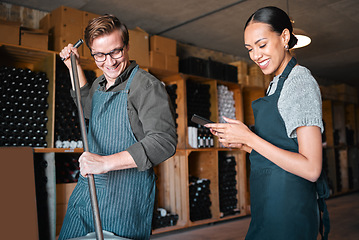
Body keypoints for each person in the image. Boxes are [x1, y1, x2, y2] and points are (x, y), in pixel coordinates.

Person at [206, 6, 329, 240]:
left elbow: (311, 169)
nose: (255, 55)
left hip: (289, 209)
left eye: (261, 45)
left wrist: (250, 137)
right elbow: (284, 148)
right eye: (250, 49)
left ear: (284, 37)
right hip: (269, 203)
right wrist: (243, 143)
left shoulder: (299, 82)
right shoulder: (276, 83)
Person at [58, 14, 177, 240]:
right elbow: (88, 109)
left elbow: (164, 142)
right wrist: (72, 66)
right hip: (88, 193)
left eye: (116, 52)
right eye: (99, 55)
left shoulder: (147, 86)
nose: (109, 62)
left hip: (123, 200)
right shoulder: (99, 83)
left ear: (127, 46)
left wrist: (104, 162)